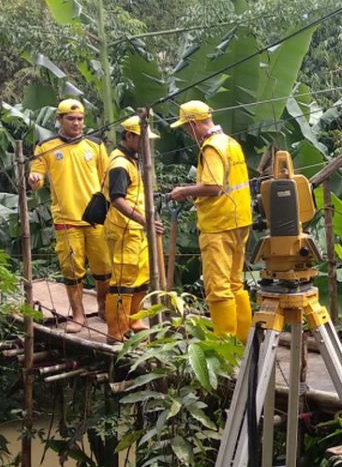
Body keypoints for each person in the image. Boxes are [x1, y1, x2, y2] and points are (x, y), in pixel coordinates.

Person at [167, 100, 253, 338]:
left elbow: (214, 186)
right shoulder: (230, 142)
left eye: (186, 128)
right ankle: (243, 342)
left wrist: (183, 191)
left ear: (194, 124)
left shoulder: (212, 147)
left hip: (219, 224)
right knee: (235, 284)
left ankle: (224, 348)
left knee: (218, 288)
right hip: (240, 219)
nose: (187, 133)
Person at [28, 98, 112, 333]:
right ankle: (77, 315)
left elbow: (107, 178)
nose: (76, 123)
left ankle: (104, 308)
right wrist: (34, 179)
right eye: (71, 119)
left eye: (80, 119)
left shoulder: (95, 145)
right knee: (72, 269)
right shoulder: (47, 147)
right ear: (60, 119)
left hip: (96, 216)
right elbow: (36, 176)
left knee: (103, 267)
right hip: (66, 217)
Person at [104, 115, 164, 340]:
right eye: (141, 139)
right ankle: (116, 330)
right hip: (123, 229)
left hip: (136, 230)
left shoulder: (132, 159)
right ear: (129, 136)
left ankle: (133, 319)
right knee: (123, 281)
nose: (146, 145)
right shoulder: (120, 164)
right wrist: (144, 221)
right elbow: (117, 199)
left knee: (141, 277)